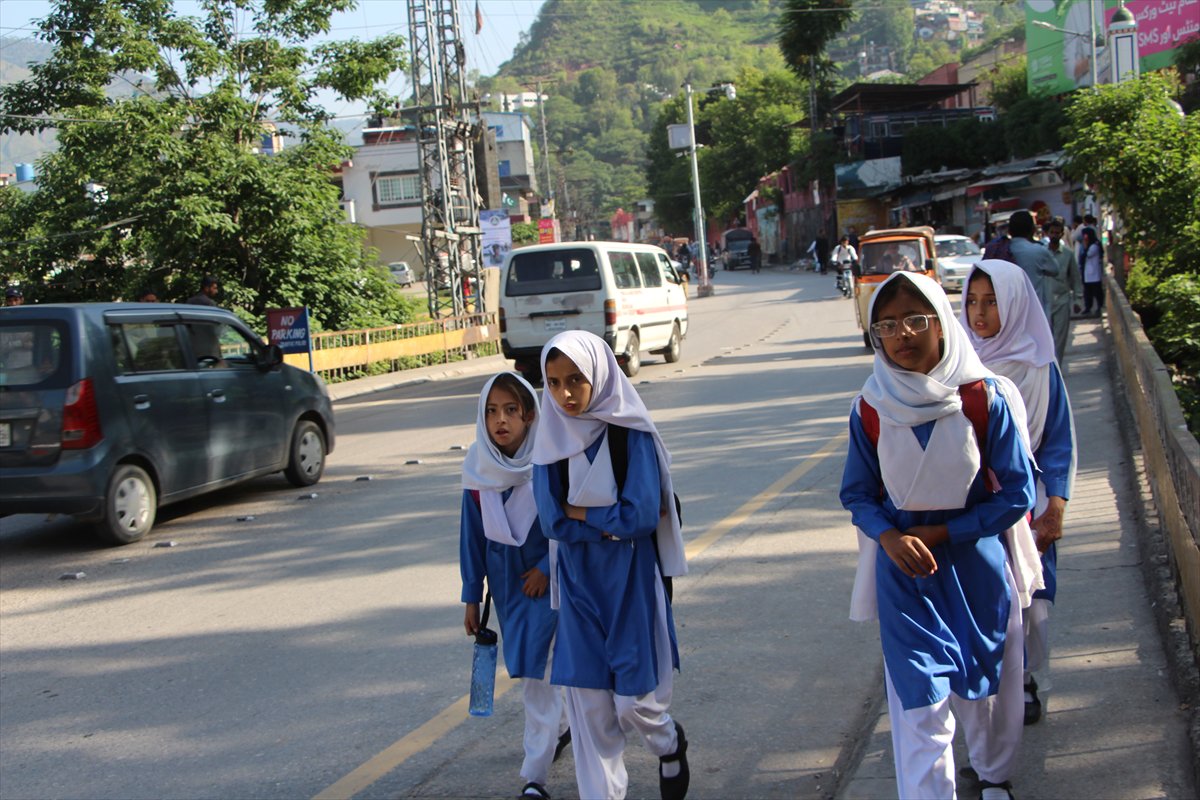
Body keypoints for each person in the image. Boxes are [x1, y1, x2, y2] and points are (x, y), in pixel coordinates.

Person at [840, 271, 1040, 800]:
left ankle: (994, 776)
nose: (902, 334)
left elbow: (1017, 495)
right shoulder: (871, 407)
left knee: (986, 692)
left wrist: (948, 529)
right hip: (905, 575)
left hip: (975, 569)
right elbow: (858, 493)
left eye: (914, 319)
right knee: (919, 704)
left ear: (941, 324)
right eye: (886, 324)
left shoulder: (983, 398)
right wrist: (888, 537)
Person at [531, 330, 689, 800]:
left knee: (634, 706)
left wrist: (584, 514)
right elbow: (553, 521)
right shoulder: (550, 436)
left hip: (631, 580)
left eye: (576, 380)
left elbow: (641, 516)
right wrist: (608, 521)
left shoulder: (629, 432)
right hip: (577, 583)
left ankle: (668, 742)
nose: (565, 394)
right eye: (554, 382)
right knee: (590, 711)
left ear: (599, 374)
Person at [961, 261, 1076, 727]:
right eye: (971, 301)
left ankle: (1029, 681)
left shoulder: (1038, 367)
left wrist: (1056, 508)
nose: (979, 313)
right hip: (974, 502)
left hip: (1028, 500)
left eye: (991, 301)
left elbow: (1059, 441)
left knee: (1034, 600)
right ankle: (991, 689)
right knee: (988, 597)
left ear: (1013, 303)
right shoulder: (959, 362)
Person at [460, 372, 569, 800]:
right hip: (507, 590)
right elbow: (471, 537)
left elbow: (565, 521)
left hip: (547, 584)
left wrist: (547, 566)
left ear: (528, 415)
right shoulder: (477, 467)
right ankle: (560, 730)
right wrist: (472, 594)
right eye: (491, 411)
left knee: (538, 678)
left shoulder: (548, 461)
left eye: (510, 410)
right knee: (533, 669)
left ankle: (534, 778)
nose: (500, 420)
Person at [1006, 210, 1059, 321]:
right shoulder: (1038, 251)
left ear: (1009, 231)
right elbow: (1055, 269)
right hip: (1035, 314)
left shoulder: (1001, 250)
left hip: (1007, 314)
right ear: (1032, 230)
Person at [1044, 218, 1083, 360]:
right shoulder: (1042, 253)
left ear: (1061, 234)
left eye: (1057, 233)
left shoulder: (1068, 254)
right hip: (1044, 302)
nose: (1054, 235)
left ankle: (1057, 372)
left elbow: (1075, 279)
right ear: (1047, 234)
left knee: (1059, 341)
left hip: (1062, 301)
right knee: (1046, 341)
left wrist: (1078, 300)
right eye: (1052, 232)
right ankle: (1048, 374)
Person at [1079, 227, 1105, 317]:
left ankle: (1099, 306)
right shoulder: (1090, 245)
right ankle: (1088, 307)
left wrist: (1085, 246)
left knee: (1096, 291)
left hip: (1094, 273)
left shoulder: (1094, 246)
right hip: (1088, 272)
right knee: (1087, 292)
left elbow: (1087, 255)